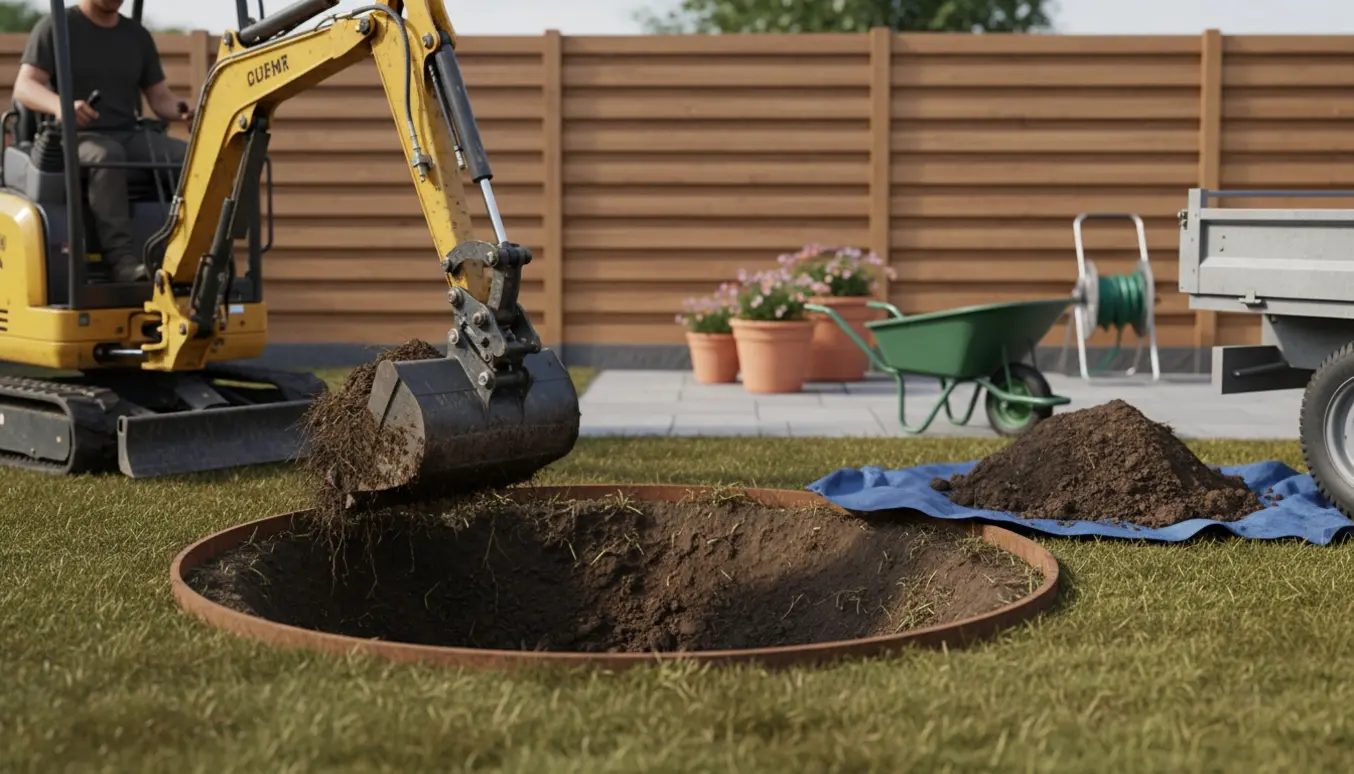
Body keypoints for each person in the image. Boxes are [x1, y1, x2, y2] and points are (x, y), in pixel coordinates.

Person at [12, 0, 196, 283]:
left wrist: (184, 111)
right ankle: (122, 261)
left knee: (192, 158)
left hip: (128, 134)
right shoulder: (56, 27)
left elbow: (159, 97)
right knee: (107, 155)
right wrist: (62, 106)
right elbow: (25, 86)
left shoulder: (136, 36)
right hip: (74, 138)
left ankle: (189, 254)